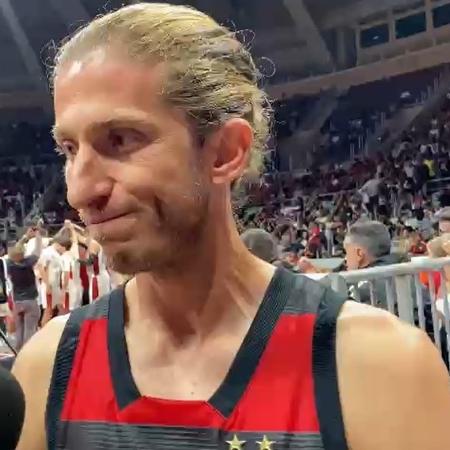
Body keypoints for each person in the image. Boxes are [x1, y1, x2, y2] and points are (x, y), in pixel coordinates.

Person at [13, 4, 450, 450]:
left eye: (120, 140)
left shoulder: (379, 371)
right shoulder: (47, 367)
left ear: (224, 154)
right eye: (69, 149)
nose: (80, 191)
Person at [6, 244, 40, 351]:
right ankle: (28, 351)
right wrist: (37, 236)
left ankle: (18, 351)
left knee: (19, 330)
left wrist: (24, 238)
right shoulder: (28, 263)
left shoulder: (9, 265)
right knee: (29, 329)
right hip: (30, 300)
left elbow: (13, 253)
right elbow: (37, 252)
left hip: (18, 301)